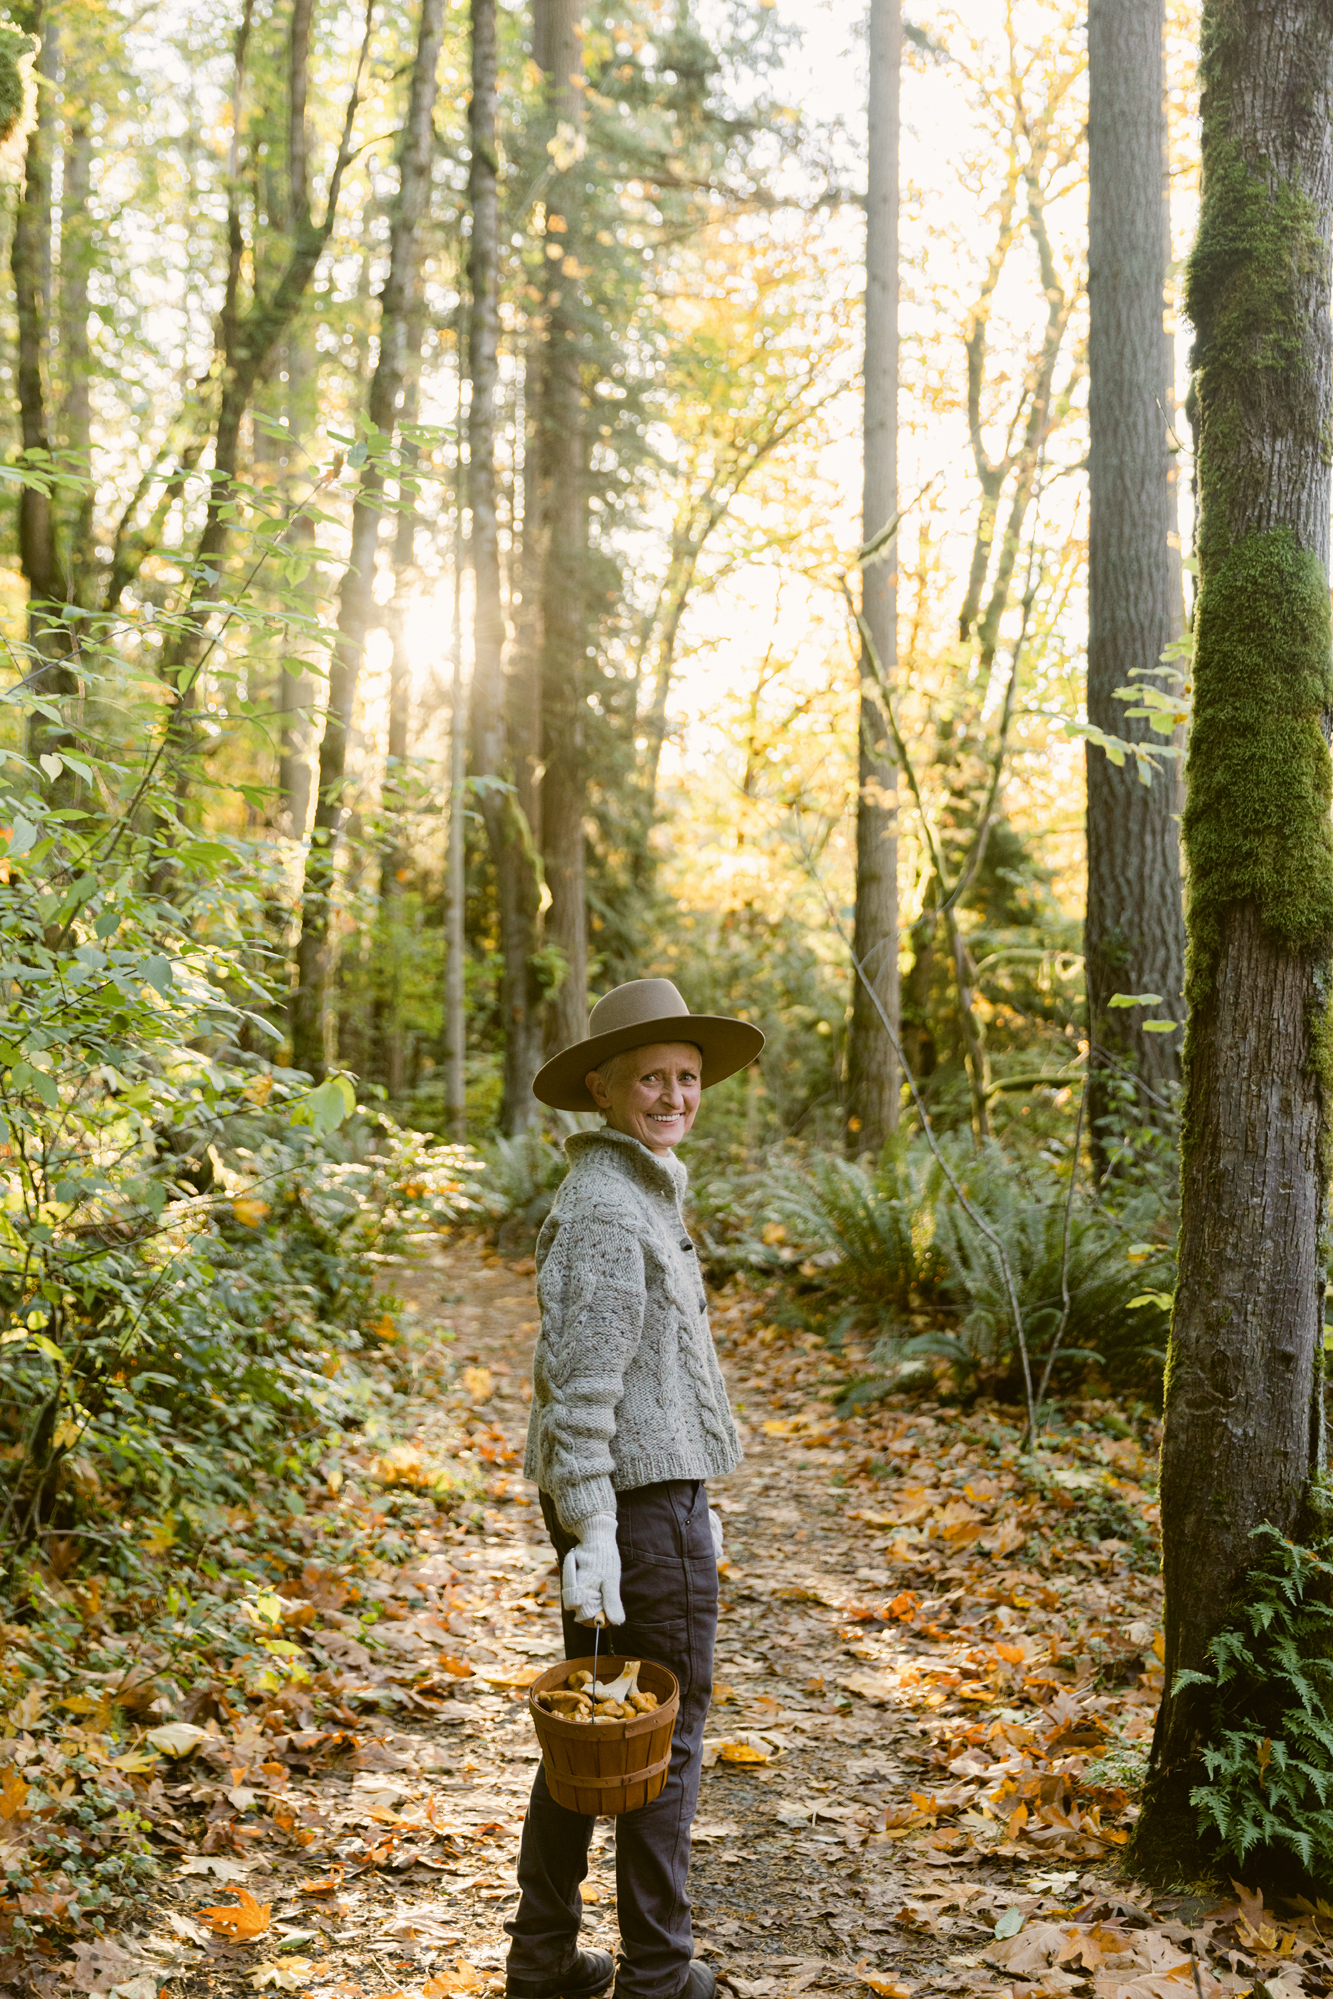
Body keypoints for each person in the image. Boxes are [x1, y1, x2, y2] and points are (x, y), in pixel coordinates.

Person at [504, 979, 765, 1999]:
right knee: (662, 1730)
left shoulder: (639, 1186)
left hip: (636, 1499)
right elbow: (581, 1395)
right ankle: (660, 1971)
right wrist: (599, 1529)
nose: (673, 1093)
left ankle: (543, 1961)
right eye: (651, 1076)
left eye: (687, 1077)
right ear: (603, 1090)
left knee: (598, 1736)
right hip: (637, 1506)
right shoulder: (611, 1210)